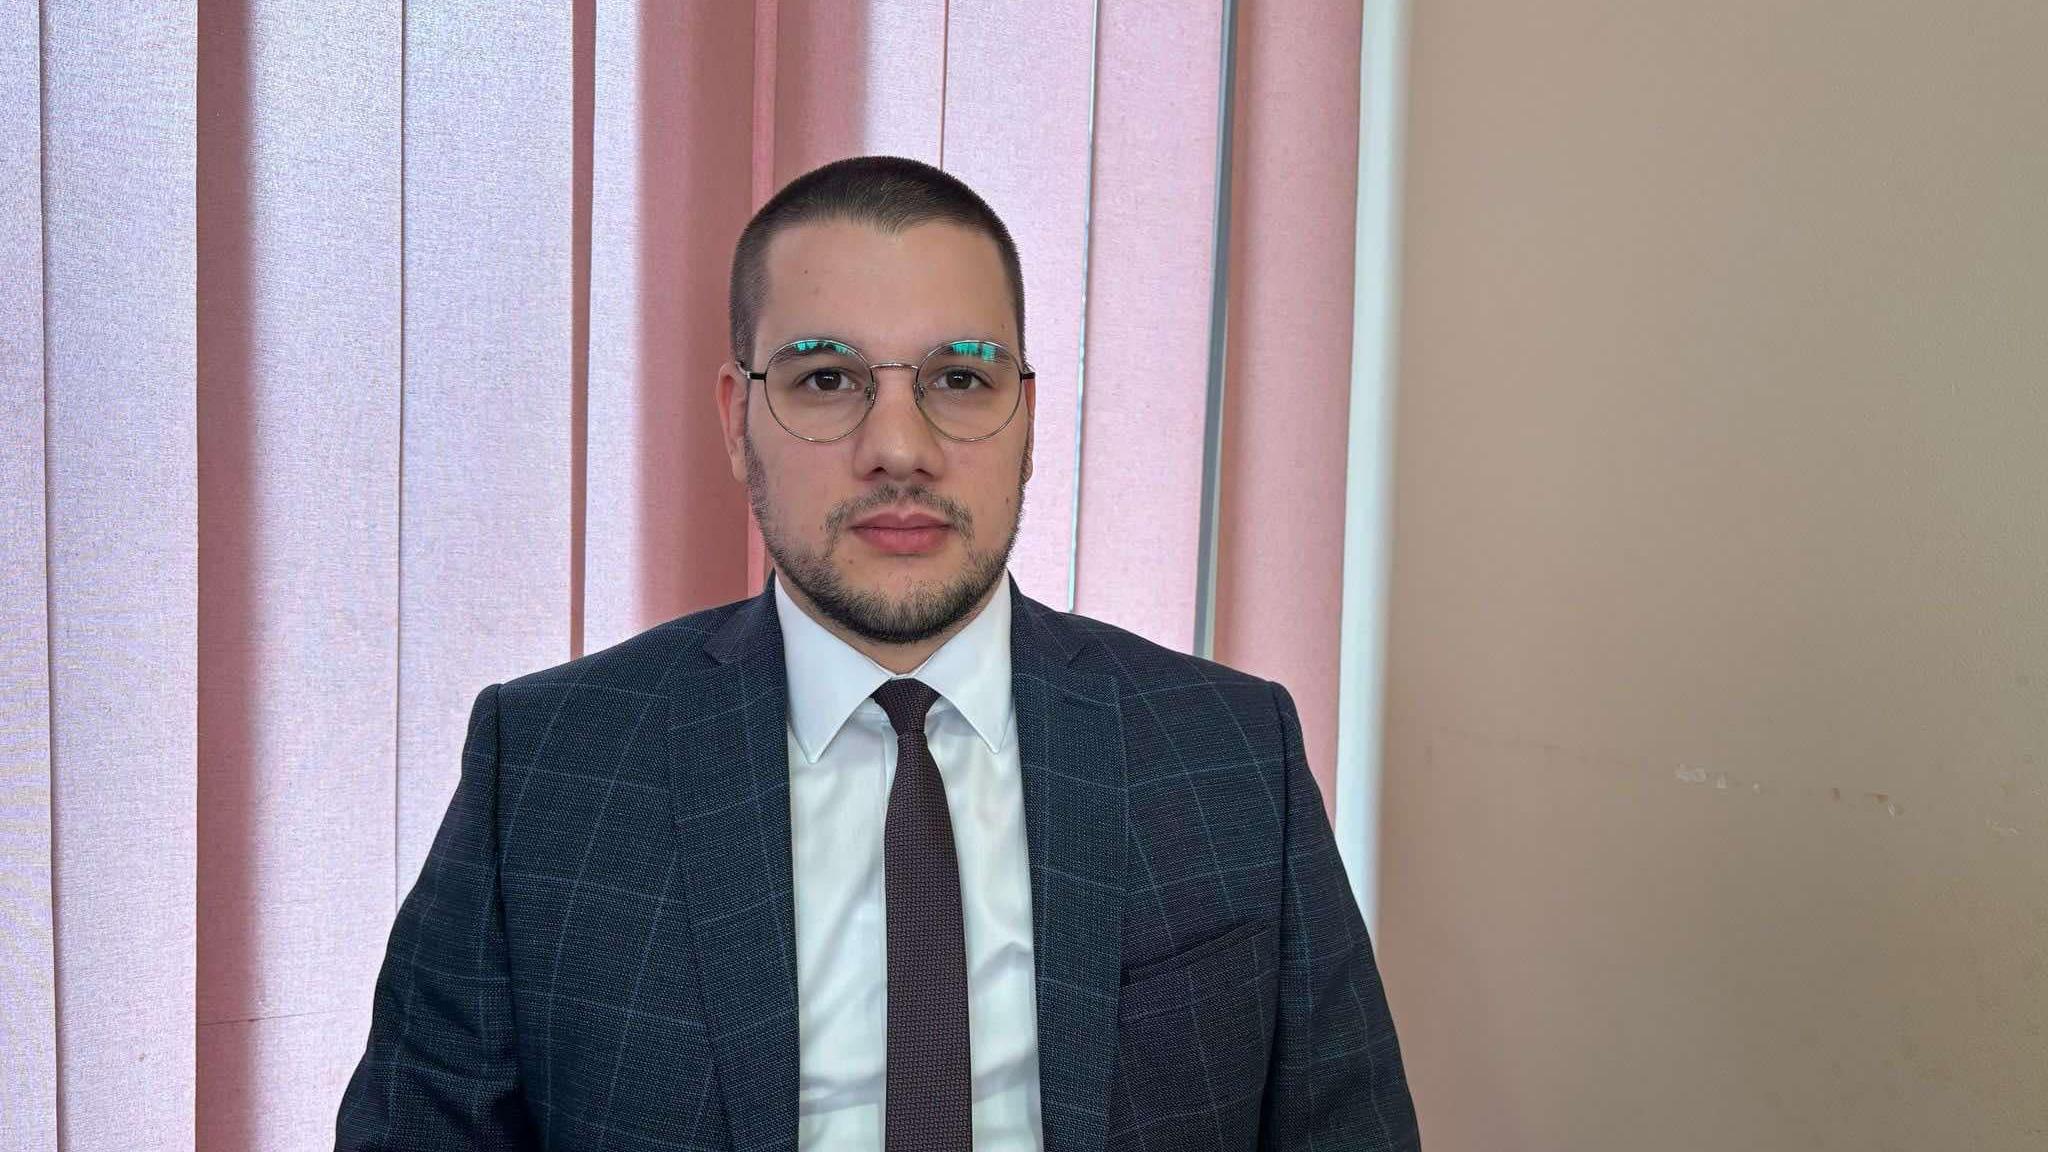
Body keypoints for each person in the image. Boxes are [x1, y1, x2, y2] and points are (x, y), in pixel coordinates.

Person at [336, 155, 1420, 1151]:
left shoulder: (1232, 752)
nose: (898, 449)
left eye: (960, 379)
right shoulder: (544, 766)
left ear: (1027, 420)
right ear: (736, 421)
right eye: (826, 379)